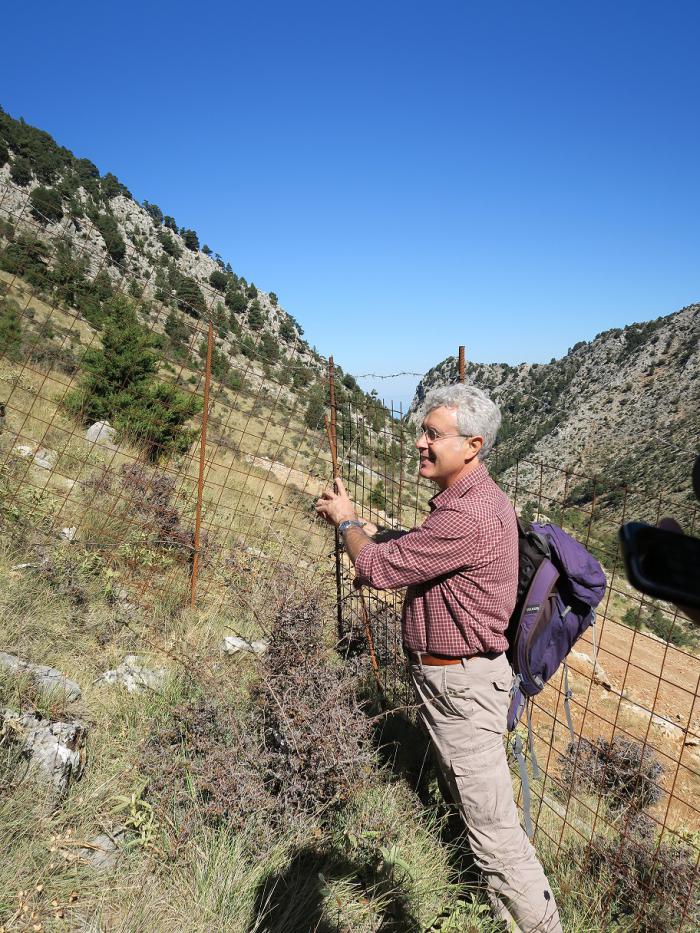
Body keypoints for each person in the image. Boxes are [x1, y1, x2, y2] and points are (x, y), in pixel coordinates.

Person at [316, 384, 562, 933]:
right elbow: (432, 553)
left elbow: (378, 571)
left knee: (497, 836)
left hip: (463, 689)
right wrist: (387, 536)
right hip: (458, 683)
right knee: (480, 819)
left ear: (472, 445)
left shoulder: (467, 514)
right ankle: (501, 914)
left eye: (433, 435)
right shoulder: (472, 502)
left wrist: (347, 524)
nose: (421, 443)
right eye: (422, 431)